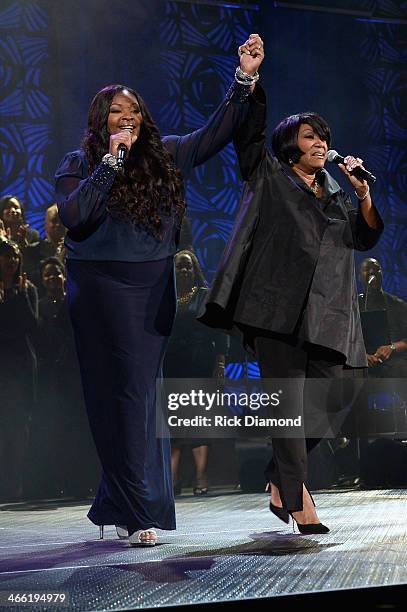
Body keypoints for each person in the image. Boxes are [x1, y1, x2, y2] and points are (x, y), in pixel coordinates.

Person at [55, 35, 265, 546]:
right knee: (110, 397)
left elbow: (217, 132)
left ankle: (134, 506)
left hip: (149, 286)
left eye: (134, 110)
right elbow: (76, 218)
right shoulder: (80, 163)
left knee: (138, 395)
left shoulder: (168, 155)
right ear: (101, 118)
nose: (127, 116)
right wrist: (111, 164)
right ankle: (126, 501)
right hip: (98, 286)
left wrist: (244, 79)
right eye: (117, 110)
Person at [198, 50, 383, 533]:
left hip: (328, 316)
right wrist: (248, 79)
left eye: (324, 136)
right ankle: (300, 499)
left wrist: (363, 193)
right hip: (275, 311)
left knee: (344, 387)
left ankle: (280, 474)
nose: (321, 142)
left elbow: (365, 237)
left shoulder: (338, 193)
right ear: (288, 146)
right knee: (286, 404)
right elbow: (249, 132)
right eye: (310, 136)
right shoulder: (268, 174)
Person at [164, 249, 228, 496]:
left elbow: (219, 332)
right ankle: (173, 478)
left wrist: (220, 364)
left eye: (188, 266)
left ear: (195, 270)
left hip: (199, 364)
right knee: (172, 425)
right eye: (179, 266)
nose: (184, 270)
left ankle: (201, 475)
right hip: (171, 366)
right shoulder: (165, 296)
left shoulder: (204, 296)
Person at [0, 240, 38, 502]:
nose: (11, 261)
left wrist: (21, 295)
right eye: (5, 256)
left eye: (14, 256)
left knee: (19, 426)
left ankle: (16, 484)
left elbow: (33, 327)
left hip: (22, 365)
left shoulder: (28, 288)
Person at [358, 258, 407, 377]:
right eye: (367, 269)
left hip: (394, 361)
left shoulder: (397, 304)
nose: (371, 272)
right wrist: (362, 355)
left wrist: (391, 347)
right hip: (362, 361)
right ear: (359, 276)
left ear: (382, 274)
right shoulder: (352, 306)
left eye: (375, 269)